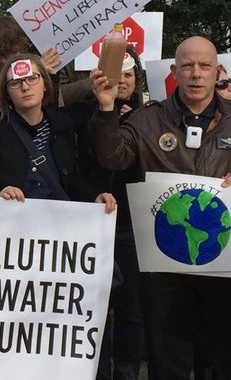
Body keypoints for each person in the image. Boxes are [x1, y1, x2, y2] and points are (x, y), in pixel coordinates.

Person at [89, 36, 231, 379]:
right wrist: (106, 108)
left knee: (224, 357)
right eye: (187, 66)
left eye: (204, 66)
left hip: (223, 262)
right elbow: (111, 157)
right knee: (169, 361)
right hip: (163, 265)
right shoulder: (145, 120)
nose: (196, 74)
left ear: (218, 71)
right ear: (174, 71)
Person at [64, 48, 145, 380]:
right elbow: (67, 166)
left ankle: (126, 373)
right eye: (116, 74)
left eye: (128, 75)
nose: (121, 82)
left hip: (133, 225)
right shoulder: (79, 114)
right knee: (94, 310)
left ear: (137, 79)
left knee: (132, 311)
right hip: (90, 223)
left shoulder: (150, 115)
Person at [0, 53, 116, 214]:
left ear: (45, 84)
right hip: (10, 229)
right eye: (15, 82)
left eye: (32, 78)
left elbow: (69, 179)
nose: (25, 87)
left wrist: (94, 196)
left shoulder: (62, 124)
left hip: (57, 228)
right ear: (6, 91)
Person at [0, 15, 61, 116]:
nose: (4, 61)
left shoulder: (40, 77)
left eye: (11, 53)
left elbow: (57, 115)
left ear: (22, 48)